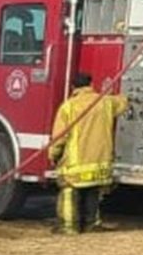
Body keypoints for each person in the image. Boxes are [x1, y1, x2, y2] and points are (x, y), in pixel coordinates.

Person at [49, 72, 128, 234]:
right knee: (93, 191)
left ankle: (69, 227)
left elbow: (59, 137)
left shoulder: (68, 107)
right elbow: (123, 102)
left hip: (76, 163)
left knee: (70, 191)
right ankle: (92, 224)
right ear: (91, 84)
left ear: (73, 87)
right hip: (100, 162)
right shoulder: (105, 102)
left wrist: (53, 154)